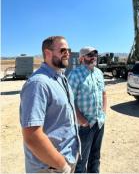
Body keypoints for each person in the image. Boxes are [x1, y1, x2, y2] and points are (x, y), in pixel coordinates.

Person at [20, 36, 80, 173]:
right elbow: (32, 136)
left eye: (68, 50)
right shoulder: (38, 84)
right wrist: (62, 165)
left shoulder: (61, 78)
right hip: (51, 168)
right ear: (47, 53)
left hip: (65, 160)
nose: (68, 53)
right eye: (63, 50)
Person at [67, 46, 106, 173]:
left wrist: (103, 113)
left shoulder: (99, 73)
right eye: (90, 55)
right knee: (81, 161)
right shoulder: (75, 74)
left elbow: (104, 93)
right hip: (84, 127)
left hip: (99, 123)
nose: (93, 57)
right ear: (82, 58)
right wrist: (82, 121)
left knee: (95, 156)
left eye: (95, 55)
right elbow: (69, 101)